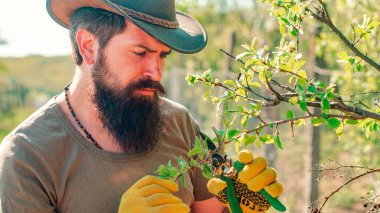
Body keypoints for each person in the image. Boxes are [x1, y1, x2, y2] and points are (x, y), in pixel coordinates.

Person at [0, 0, 283, 212]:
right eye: (141, 52)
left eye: (163, 56)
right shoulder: (27, 155)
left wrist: (241, 204)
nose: (156, 71)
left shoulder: (178, 122)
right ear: (88, 46)